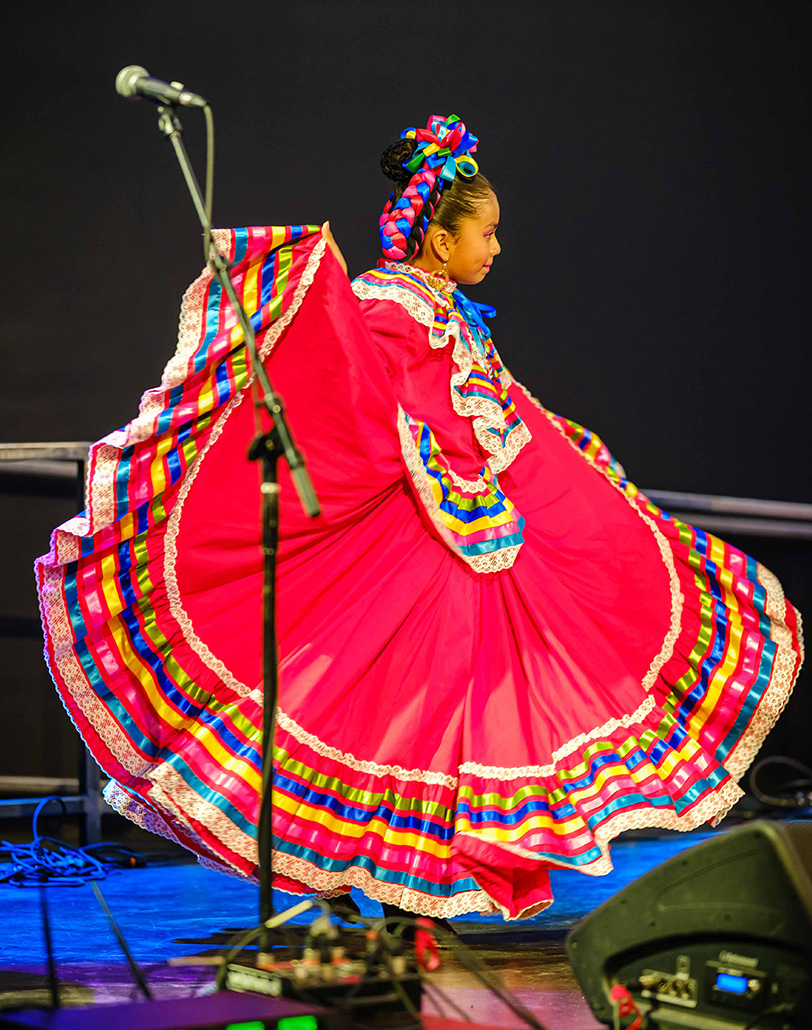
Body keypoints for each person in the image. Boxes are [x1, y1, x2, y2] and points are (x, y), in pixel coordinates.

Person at [36, 115, 802, 921]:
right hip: (411, 539)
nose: (497, 249)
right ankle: (357, 876)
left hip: (470, 543)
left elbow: (499, 415)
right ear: (440, 240)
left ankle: (399, 878)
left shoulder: (446, 310)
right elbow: (352, 396)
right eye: (488, 233)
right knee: (379, 713)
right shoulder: (390, 305)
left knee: (445, 720)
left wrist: (565, 463)